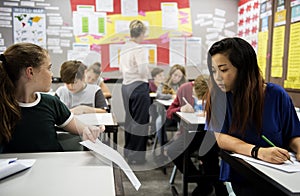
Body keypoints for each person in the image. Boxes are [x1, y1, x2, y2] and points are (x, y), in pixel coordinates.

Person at [206, 37, 300, 196]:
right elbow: (221, 137)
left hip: (280, 173)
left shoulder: (277, 95)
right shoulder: (218, 97)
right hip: (242, 175)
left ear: (243, 68)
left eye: (223, 70)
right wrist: (258, 152)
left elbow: (293, 134)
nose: (217, 77)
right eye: (213, 71)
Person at [0, 43, 104, 153]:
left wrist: (89, 130)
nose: (51, 74)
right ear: (30, 72)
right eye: (49, 68)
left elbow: (81, 128)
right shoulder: (4, 106)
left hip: (55, 166)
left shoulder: (51, 103)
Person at [166, 75, 226, 196]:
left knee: (208, 154)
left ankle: (211, 185)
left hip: (213, 134)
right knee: (173, 150)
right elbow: (169, 112)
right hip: (192, 132)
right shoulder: (184, 89)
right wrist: (181, 108)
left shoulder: (218, 92)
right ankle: (204, 182)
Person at [119, 19, 150, 164]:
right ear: (141, 33)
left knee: (130, 119)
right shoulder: (139, 49)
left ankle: (129, 151)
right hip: (139, 86)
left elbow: (121, 69)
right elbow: (143, 69)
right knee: (140, 121)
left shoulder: (125, 47)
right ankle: (137, 157)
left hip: (126, 86)